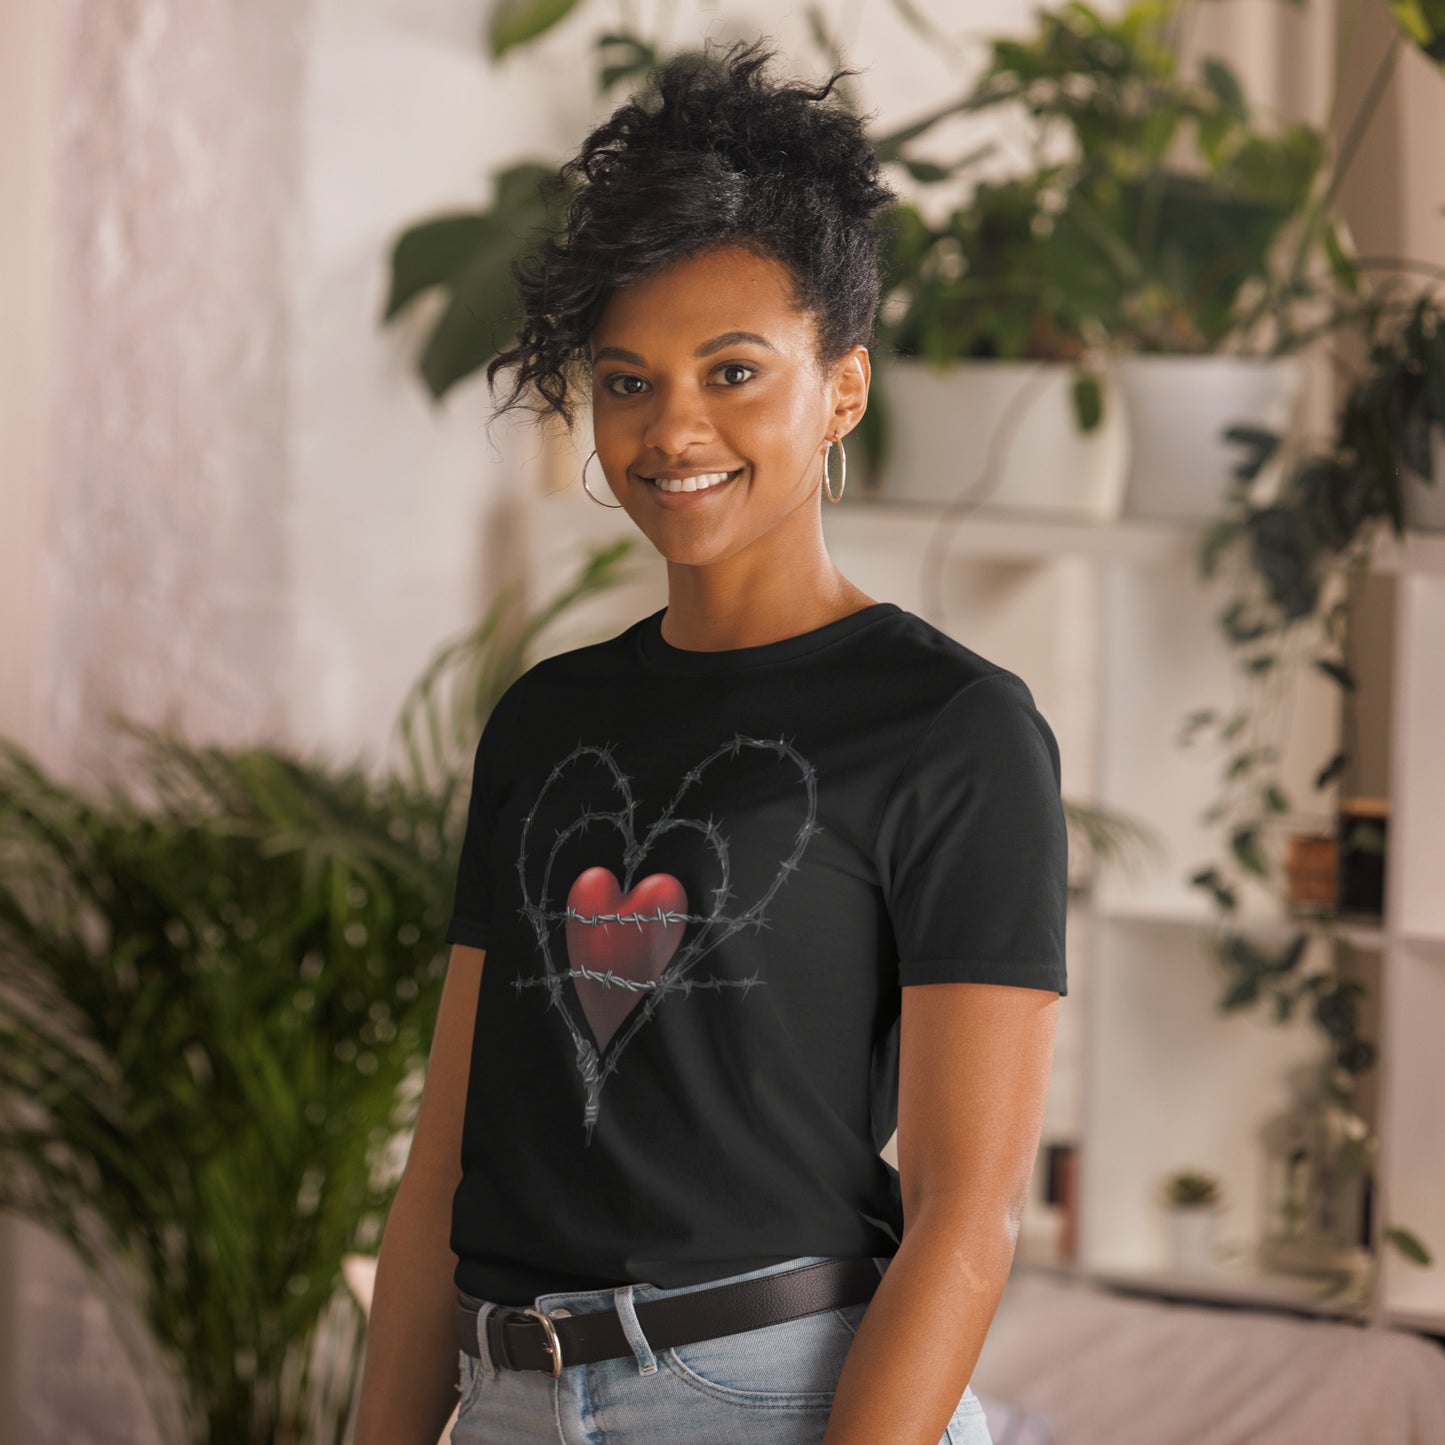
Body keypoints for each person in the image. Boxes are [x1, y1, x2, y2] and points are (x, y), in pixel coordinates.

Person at [352, 36, 1066, 1445]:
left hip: (777, 1396)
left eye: (733, 371)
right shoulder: (546, 718)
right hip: (508, 1398)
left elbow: (965, 1214)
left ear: (842, 387)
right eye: (628, 382)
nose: (673, 429)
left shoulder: (951, 727)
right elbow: (445, 1163)